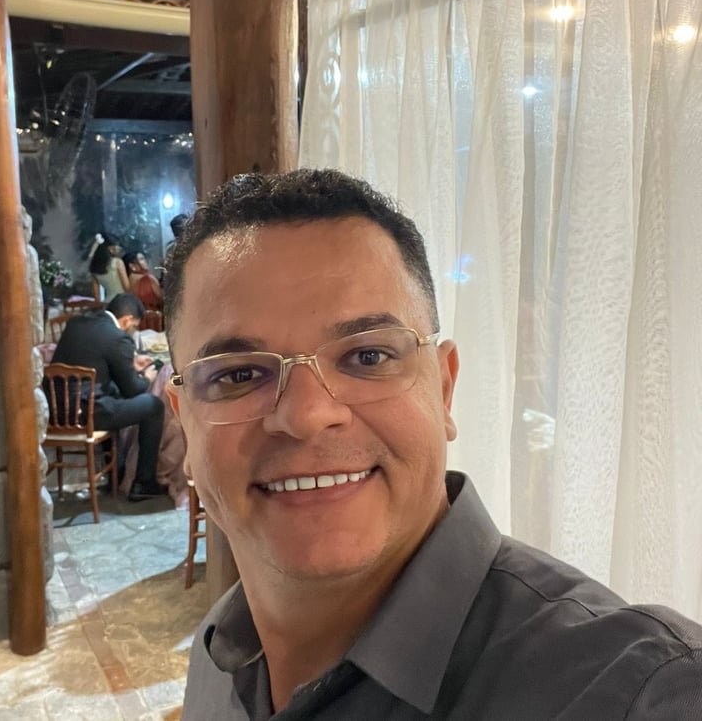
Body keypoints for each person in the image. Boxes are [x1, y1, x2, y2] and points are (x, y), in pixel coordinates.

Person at [163, 169, 702, 719]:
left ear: (443, 389)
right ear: (184, 422)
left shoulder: (638, 691)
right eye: (237, 375)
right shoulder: (218, 651)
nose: (306, 415)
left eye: (367, 356)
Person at [52, 292, 167, 501]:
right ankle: (143, 483)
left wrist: (129, 364)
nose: (131, 331)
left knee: (112, 392)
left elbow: (94, 358)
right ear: (127, 320)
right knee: (153, 406)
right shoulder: (117, 337)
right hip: (87, 413)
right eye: (133, 327)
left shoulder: (76, 323)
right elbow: (132, 389)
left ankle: (117, 473)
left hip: (55, 411)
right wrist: (147, 377)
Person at [89, 233, 129, 303]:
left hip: (107, 303)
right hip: (122, 301)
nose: (119, 248)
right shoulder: (117, 262)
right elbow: (127, 287)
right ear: (110, 248)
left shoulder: (94, 268)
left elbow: (97, 296)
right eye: (117, 245)